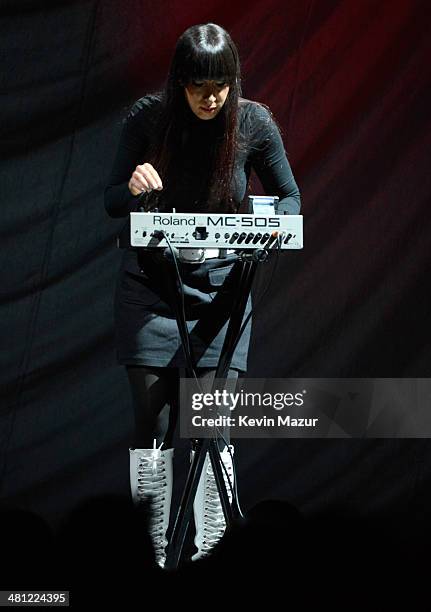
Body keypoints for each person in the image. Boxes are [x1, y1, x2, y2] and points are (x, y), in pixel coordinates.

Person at [104, 23, 300, 567]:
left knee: (214, 429)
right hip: (152, 292)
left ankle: (213, 557)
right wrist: (135, 186)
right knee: (157, 424)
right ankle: (149, 556)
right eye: (199, 87)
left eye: (222, 86)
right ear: (179, 83)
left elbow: (289, 197)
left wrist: (270, 226)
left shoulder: (253, 122)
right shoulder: (148, 118)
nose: (212, 98)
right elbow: (111, 200)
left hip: (221, 296)